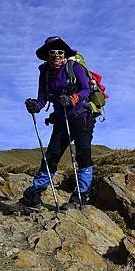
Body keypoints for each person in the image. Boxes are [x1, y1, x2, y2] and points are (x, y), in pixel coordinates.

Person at [21, 36, 96, 209]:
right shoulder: (45, 72)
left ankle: (80, 197)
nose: (56, 55)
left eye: (60, 52)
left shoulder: (74, 67)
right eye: (52, 52)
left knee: (83, 154)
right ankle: (34, 194)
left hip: (81, 116)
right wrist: (36, 106)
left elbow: (86, 90)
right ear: (47, 54)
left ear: (65, 54)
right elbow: (43, 97)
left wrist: (73, 99)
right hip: (61, 120)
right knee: (52, 156)